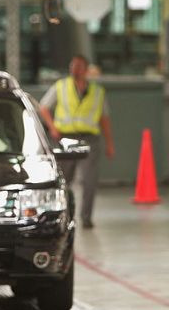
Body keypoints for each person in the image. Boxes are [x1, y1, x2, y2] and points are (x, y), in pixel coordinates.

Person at [40, 55, 115, 229]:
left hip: (90, 139)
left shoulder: (97, 92)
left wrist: (109, 143)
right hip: (65, 138)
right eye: (73, 66)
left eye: (79, 66)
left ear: (86, 69)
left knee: (90, 180)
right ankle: (64, 215)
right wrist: (52, 128)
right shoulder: (61, 86)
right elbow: (43, 107)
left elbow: (104, 119)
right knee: (65, 180)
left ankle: (86, 217)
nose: (75, 69)